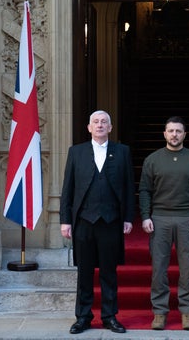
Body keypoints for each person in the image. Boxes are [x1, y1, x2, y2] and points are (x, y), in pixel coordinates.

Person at [60, 110, 135, 335]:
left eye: (104, 122)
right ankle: (83, 317)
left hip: (111, 221)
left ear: (110, 128)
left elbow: (129, 187)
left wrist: (128, 217)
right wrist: (65, 221)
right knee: (84, 273)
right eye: (96, 122)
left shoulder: (122, 152)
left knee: (109, 273)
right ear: (89, 127)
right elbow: (67, 189)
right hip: (83, 221)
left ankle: (109, 316)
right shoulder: (76, 152)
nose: (100, 125)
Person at [138, 116, 189, 331]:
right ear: (164, 134)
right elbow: (144, 190)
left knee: (187, 268)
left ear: (184, 134)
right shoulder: (153, 159)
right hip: (159, 218)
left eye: (178, 131)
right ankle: (159, 312)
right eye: (171, 131)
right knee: (159, 268)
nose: (174, 135)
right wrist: (145, 216)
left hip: (187, 218)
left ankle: (187, 311)